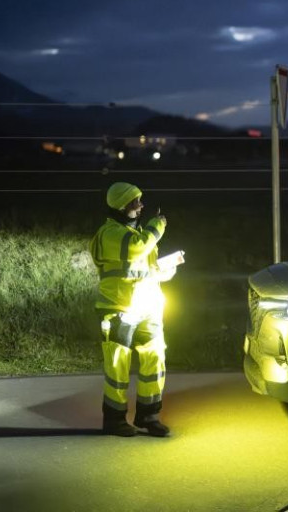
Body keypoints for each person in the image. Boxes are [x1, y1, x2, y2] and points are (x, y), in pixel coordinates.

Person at [89, 182, 175, 437]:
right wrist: (156, 226)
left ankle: (149, 416)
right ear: (122, 205)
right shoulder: (110, 233)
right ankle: (114, 420)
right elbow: (137, 248)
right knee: (118, 365)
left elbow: (143, 265)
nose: (141, 206)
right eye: (136, 201)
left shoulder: (133, 233)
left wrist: (164, 270)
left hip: (147, 308)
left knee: (155, 359)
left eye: (140, 201)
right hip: (118, 309)